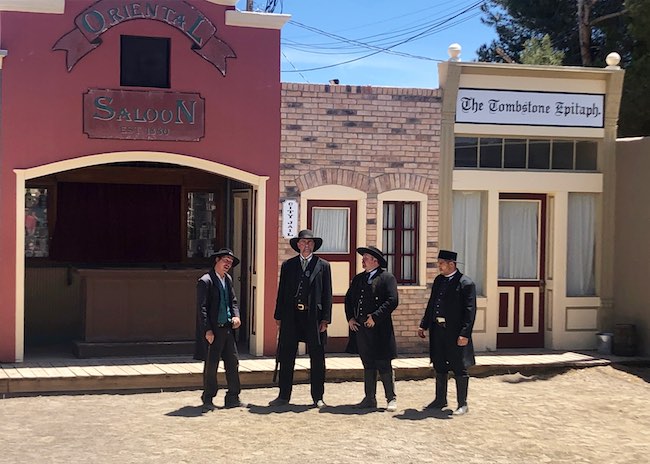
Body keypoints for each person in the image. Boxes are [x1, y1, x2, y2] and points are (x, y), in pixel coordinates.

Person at [270, 229, 333, 408]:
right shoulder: (288, 265)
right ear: (298, 245)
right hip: (291, 316)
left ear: (314, 245)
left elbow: (327, 293)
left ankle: (318, 396)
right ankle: (283, 395)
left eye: (310, 243)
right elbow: (281, 292)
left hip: (313, 317)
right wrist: (278, 315)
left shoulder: (323, 266)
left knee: (317, 357)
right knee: (287, 355)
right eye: (303, 243)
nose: (306, 246)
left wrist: (326, 319)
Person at [418, 249, 476, 416]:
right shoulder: (438, 281)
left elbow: (470, 311)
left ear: (452, 264)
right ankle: (440, 399)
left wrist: (464, 334)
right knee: (440, 365)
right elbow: (432, 304)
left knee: (459, 367)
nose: (439, 267)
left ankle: (462, 403)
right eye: (439, 264)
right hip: (438, 331)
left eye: (442, 264)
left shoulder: (465, 283)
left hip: (455, 332)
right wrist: (424, 325)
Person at [345, 246, 399, 412]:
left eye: (366, 257)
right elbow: (349, 299)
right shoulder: (359, 279)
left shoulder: (387, 278)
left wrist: (375, 316)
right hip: (362, 328)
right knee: (368, 363)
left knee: (383, 362)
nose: (363, 260)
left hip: (380, 328)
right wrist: (351, 318)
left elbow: (392, 300)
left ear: (375, 261)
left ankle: (391, 398)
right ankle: (369, 398)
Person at [195, 247, 245, 412]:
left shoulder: (228, 279)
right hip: (214, 329)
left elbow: (233, 301)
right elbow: (201, 309)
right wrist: (207, 330)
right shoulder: (206, 280)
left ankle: (233, 397)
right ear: (217, 261)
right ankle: (208, 398)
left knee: (233, 362)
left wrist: (236, 316)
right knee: (211, 365)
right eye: (225, 261)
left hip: (228, 329)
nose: (228, 265)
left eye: (230, 262)